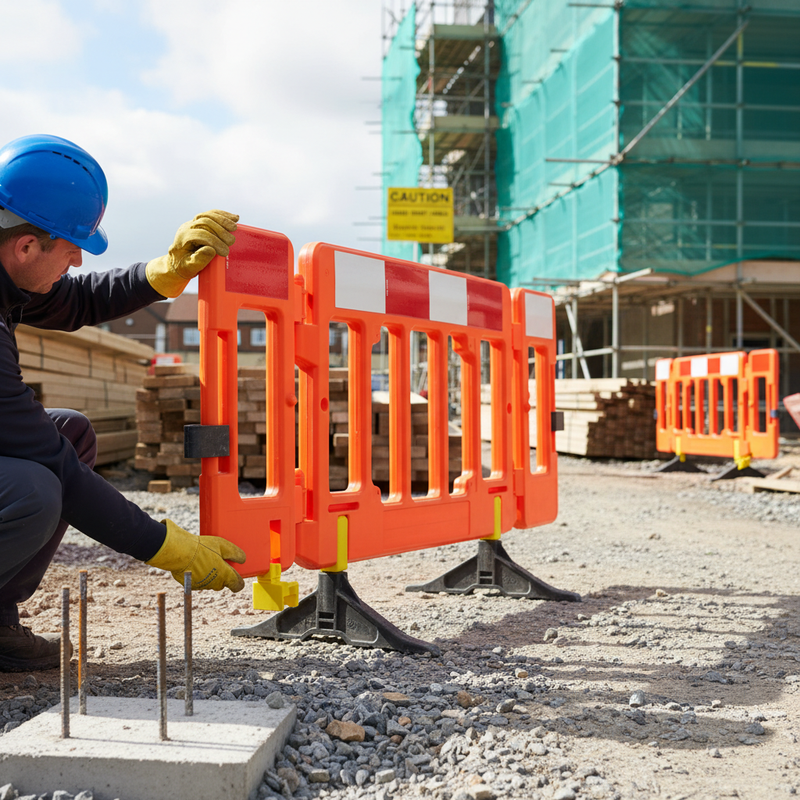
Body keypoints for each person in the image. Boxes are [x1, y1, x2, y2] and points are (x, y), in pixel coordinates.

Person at [0, 133, 247, 672]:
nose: (78, 262)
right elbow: (54, 466)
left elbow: (76, 298)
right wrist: (166, 546)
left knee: (71, 433)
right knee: (34, 487)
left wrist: (162, 273)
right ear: (26, 246)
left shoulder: (9, 270)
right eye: (71, 249)